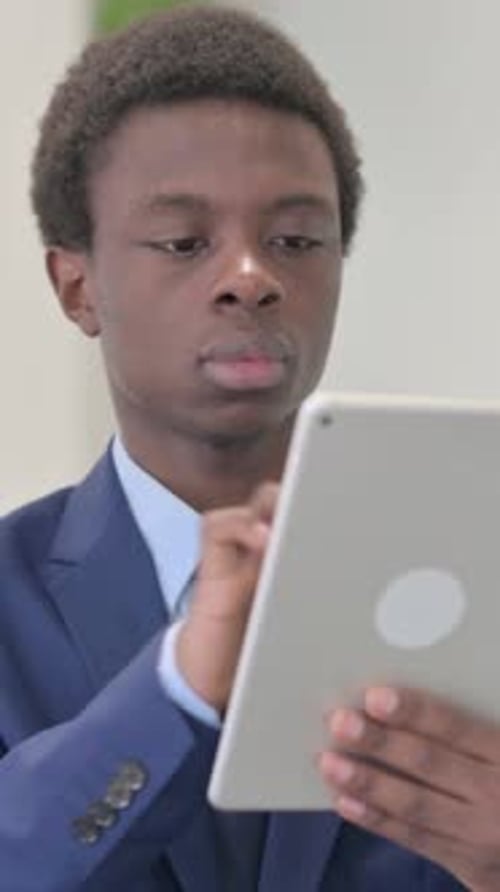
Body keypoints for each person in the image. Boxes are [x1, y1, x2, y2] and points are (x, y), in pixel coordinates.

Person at [1, 5, 499, 891]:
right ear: (77, 287)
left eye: (296, 240)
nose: (251, 278)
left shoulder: (475, 593)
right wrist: (177, 690)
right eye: (185, 242)